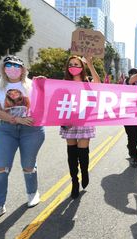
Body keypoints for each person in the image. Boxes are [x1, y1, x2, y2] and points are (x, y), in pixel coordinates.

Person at [0, 56, 45, 221]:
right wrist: (17, 119)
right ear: (3, 68)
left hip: (32, 130)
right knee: (1, 168)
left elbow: (48, 99)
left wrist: (44, 84)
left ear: (23, 69)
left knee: (28, 165)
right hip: (6, 130)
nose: (13, 68)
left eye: (17, 65)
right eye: (9, 65)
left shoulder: (32, 85)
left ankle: (32, 193)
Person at [60, 55, 101, 199]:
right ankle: (74, 181)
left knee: (82, 152)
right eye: (71, 64)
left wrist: (90, 64)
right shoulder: (64, 83)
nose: (73, 67)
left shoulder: (87, 82)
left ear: (82, 67)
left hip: (84, 122)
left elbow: (99, 83)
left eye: (77, 64)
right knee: (72, 154)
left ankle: (84, 172)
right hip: (69, 122)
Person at [124, 68, 137, 168]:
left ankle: (130, 147)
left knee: (135, 137)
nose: (133, 76)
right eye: (131, 74)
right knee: (131, 136)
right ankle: (134, 157)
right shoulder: (127, 82)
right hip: (128, 116)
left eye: (135, 74)